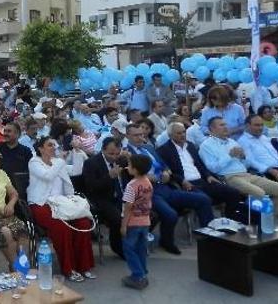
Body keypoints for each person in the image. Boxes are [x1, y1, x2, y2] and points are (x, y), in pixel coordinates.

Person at [124, 123, 213, 255]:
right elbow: (136, 175)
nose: (139, 137)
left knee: (203, 199)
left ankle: (210, 237)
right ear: (127, 136)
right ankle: (167, 241)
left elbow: (165, 166)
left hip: (165, 187)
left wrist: (166, 172)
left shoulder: (149, 148)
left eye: (141, 134)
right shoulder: (126, 154)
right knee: (171, 215)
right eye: (135, 135)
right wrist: (158, 177)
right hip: (148, 192)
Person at [199, 117, 278, 226]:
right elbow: (212, 168)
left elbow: (247, 163)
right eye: (221, 125)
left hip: (247, 174)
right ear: (212, 129)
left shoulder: (232, 141)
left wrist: (243, 157)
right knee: (259, 193)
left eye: (225, 124)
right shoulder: (206, 146)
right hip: (229, 177)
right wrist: (229, 156)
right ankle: (259, 223)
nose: (226, 127)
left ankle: (266, 218)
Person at [27, 137, 95, 282]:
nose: (53, 147)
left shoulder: (58, 162)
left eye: (54, 145)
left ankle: (83, 266)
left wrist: (76, 152)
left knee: (83, 223)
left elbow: (77, 170)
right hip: (41, 203)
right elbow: (47, 175)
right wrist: (61, 161)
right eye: (49, 145)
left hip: (62, 203)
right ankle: (68, 268)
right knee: (61, 227)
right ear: (41, 148)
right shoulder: (34, 162)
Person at [157, 122, 246, 222]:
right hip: (186, 184)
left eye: (184, 132)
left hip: (202, 180)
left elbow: (199, 164)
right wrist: (182, 180)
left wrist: (208, 175)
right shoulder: (164, 150)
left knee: (233, 192)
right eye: (178, 133)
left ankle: (231, 220)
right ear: (170, 135)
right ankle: (208, 232)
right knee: (204, 199)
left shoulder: (190, 145)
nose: (182, 135)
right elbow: (168, 171)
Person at [237, 115, 278, 226]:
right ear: (247, 126)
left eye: (261, 125)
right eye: (256, 125)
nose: (260, 128)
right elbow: (250, 162)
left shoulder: (264, 138)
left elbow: (277, 156)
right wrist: (270, 170)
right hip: (266, 172)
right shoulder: (243, 141)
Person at [82, 138, 125, 259]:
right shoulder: (91, 163)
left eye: (117, 153)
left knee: (148, 213)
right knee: (118, 219)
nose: (114, 157)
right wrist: (109, 176)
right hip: (101, 199)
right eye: (111, 154)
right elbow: (91, 187)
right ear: (103, 150)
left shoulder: (122, 160)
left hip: (121, 196)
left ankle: (134, 244)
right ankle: (118, 247)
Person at [121, 155, 153, 290]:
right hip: (145, 221)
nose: (127, 167)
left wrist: (123, 225)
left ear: (135, 169)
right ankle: (143, 271)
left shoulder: (131, 185)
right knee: (141, 248)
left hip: (132, 222)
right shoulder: (148, 182)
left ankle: (137, 275)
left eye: (129, 165)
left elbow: (128, 206)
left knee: (129, 249)